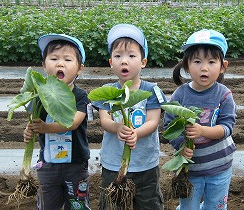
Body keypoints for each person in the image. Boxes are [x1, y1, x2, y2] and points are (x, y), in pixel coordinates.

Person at [92, 23, 166, 210]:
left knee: (149, 204)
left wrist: (136, 133)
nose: (124, 61)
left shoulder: (151, 90)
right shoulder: (107, 92)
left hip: (145, 164)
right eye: (118, 56)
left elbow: (153, 121)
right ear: (110, 62)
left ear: (143, 62)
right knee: (111, 204)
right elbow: (105, 120)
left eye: (132, 56)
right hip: (113, 163)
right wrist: (117, 128)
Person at [164, 29, 237, 210]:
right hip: (190, 169)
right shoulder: (179, 95)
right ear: (187, 66)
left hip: (219, 166)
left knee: (216, 206)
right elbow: (169, 127)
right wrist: (181, 145)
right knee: (189, 206)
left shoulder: (224, 95)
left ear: (222, 66)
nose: (204, 68)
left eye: (211, 62)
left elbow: (227, 127)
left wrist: (203, 131)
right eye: (197, 61)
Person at [23, 34, 91, 210]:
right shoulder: (38, 94)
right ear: (44, 65)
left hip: (75, 164)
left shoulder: (81, 96)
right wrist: (29, 131)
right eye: (54, 59)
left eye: (67, 59)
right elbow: (32, 123)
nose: (60, 63)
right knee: (47, 205)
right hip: (48, 163)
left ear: (79, 69)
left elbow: (73, 123)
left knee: (77, 205)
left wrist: (45, 128)